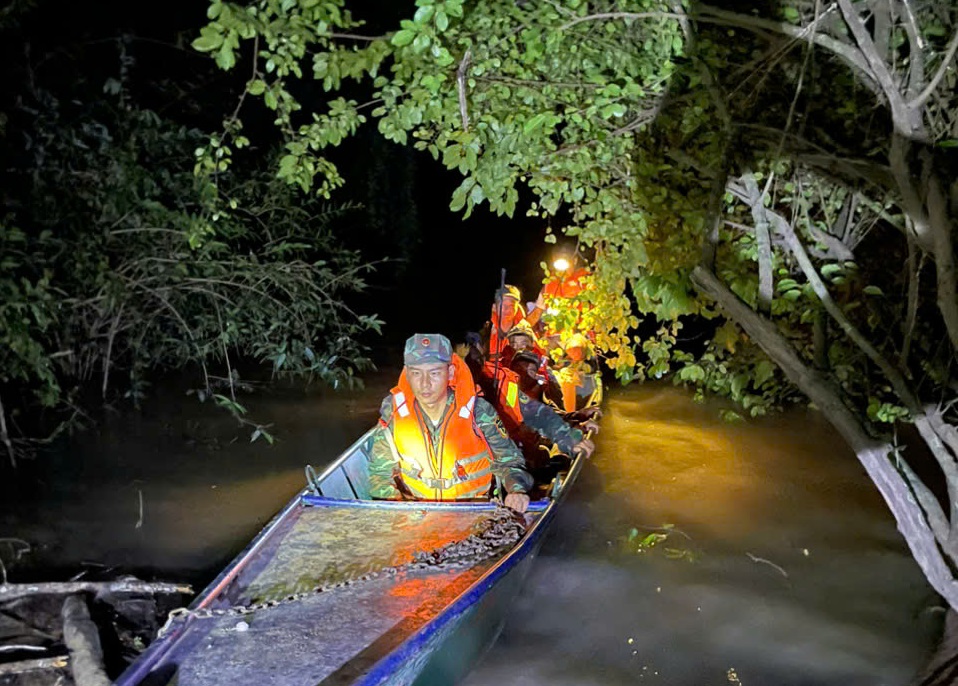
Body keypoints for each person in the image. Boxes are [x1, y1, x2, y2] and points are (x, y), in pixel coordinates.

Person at [365, 333, 533, 513]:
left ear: (450, 372)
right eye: (416, 373)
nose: (425, 384)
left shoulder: (479, 412)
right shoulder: (393, 412)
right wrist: (397, 513)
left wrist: (516, 490)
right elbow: (380, 474)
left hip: (473, 513)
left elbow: (509, 462)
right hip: (417, 515)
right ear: (407, 374)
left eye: (434, 373)